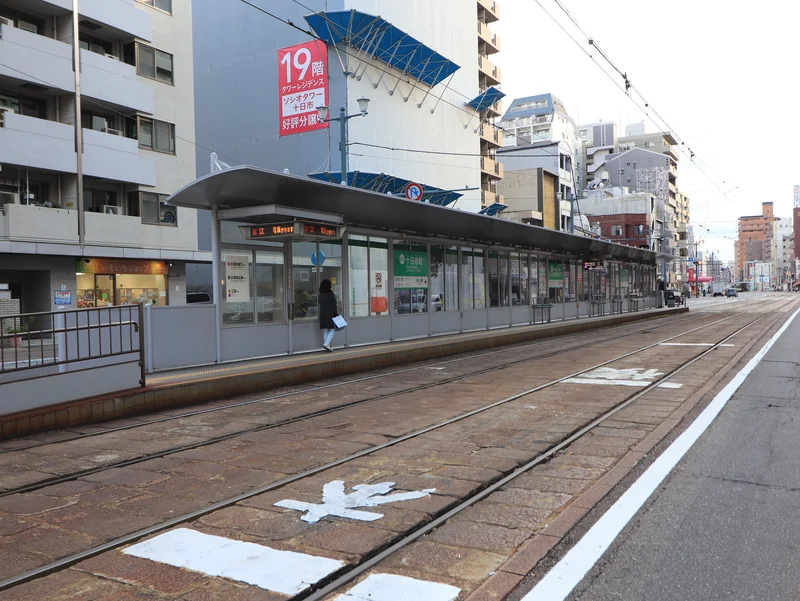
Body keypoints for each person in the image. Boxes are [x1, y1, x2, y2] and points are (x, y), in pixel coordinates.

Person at [318, 279, 338, 352]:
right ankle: (326, 343)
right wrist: (336, 315)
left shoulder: (320, 295)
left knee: (326, 329)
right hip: (330, 314)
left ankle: (327, 345)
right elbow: (333, 306)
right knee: (333, 329)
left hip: (322, 314)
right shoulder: (330, 294)